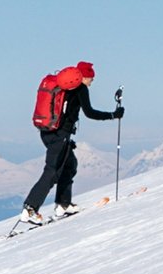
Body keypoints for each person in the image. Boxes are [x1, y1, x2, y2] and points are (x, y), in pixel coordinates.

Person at [21, 61, 123, 224]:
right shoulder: (80, 88)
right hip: (60, 135)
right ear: (84, 76)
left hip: (46, 132)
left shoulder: (61, 85)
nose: (91, 82)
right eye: (91, 78)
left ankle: (63, 204)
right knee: (52, 171)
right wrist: (113, 115)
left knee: (69, 165)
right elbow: (90, 113)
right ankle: (30, 208)